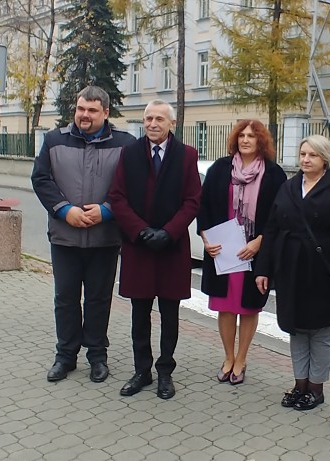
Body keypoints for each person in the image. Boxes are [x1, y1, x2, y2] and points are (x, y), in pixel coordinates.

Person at [31, 85, 135, 383]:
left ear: (105, 112)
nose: (84, 115)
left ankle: (97, 356)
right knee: (65, 298)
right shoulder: (54, 140)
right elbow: (41, 179)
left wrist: (106, 210)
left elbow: (131, 186)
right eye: (80, 109)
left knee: (99, 299)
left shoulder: (125, 144)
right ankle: (65, 356)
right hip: (65, 237)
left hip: (105, 238)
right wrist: (64, 210)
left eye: (91, 110)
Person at [108, 100, 201, 400]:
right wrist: (141, 231)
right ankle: (142, 370)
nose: (152, 124)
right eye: (148, 118)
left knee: (170, 312)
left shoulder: (187, 156)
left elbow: (192, 201)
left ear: (171, 123)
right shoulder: (130, 152)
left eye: (159, 119)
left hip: (171, 248)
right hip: (140, 246)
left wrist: (169, 232)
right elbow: (117, 197)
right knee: (139, 312)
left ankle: (165, 372)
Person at [255, 135, 330, 411]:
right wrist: (263, 269)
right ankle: (299, 384)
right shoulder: (288, 187)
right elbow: (271, 229)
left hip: (323, 271)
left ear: (326, 159)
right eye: (303, 154)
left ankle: (316, 389)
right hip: (291, 269)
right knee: (296, 329)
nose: (306, 160)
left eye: (313, 155)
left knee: (320, 331)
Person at [198, 119, 286, 386]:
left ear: (261, 141)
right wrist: (205, 238)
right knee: (225, 307)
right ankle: (227, 357)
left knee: (249, 307)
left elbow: (280, 215)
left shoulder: (273, 173)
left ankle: (242, 359)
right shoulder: (219, 169)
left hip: (254, 252)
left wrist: (260, 241)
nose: (245, 140)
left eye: (251, 136)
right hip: (223, 251)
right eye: (242, 135)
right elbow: (203, 207)